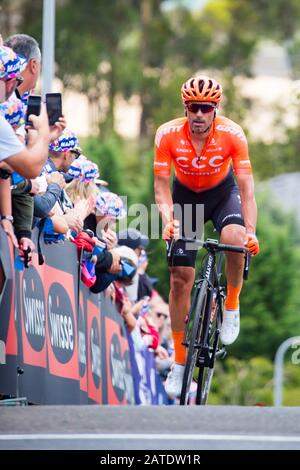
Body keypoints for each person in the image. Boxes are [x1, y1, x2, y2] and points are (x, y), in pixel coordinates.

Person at [154, 74, 260, 398]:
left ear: (216, 108)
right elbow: (160, 187)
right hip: (185, 198)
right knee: (179, 278)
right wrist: (168, 219)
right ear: (185, 108)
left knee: (235, 236)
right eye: (193, 107)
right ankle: (180, 362)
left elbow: (247, 190)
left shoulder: (232, 134)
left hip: (222, 194)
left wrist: (252, 232)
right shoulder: (167, 134)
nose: (199, 114)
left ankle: (230, 303)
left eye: (206, 108)